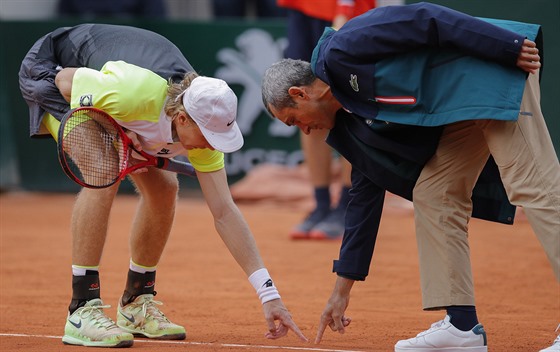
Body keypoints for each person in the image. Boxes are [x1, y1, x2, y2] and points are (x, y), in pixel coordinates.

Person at [261, 2, 559, 351]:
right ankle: (462, 328)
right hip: (461, 109)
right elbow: (363, 200)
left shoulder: (343, 47)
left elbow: (425, 18)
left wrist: (504, 45)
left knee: (536, 188)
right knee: (436, 194)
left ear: (300, 94)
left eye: (294, 120)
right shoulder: (350, 122)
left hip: (494, 76)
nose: (305, 131)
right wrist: (342, 291)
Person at [19, 24, 307, 348]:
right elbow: (66, 82)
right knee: (104, 169)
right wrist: (116, 134)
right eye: (209, 137)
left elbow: (224, 211)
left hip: (118, 97)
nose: (212, 145)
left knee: (165, 188)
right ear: (183, 119)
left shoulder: (202, 128)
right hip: (53, 70)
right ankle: (81, 308)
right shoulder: (134, 93)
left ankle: (136, 303)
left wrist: (269, 294)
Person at [277, 0, 376, 240]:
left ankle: (345, 206)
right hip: (302, 9)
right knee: (302, 103)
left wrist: (344, 10)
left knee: (347, 106)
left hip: (345, 14)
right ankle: (321, 204)